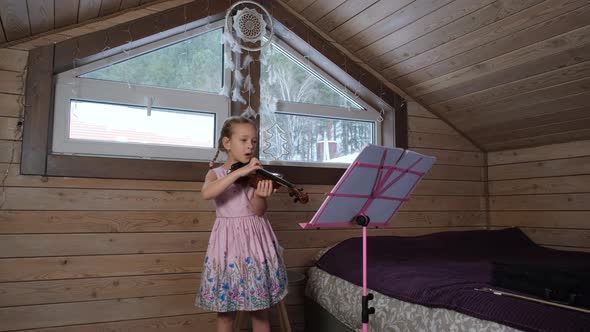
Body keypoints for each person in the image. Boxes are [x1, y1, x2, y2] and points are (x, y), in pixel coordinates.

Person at [196, 116, 288, 332]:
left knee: (260, 310)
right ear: (227, 143)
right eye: (244, 140)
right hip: (227, 244)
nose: (250, 146)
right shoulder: (215, 174)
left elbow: (258, 211)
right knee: (225, 312)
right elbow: (207, 193)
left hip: (255, 241)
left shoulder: (256, 174)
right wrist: (239, 172)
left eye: (254, 141)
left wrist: (261, 195)